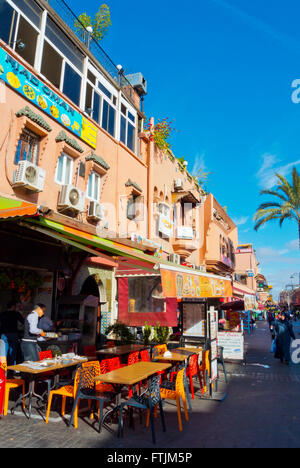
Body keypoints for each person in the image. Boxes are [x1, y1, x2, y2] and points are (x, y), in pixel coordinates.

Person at [0, 301, 24, 365]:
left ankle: (3, 369)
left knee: (3, 352)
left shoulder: (2, 314)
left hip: (4, 334)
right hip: (13, 334)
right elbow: (23, 322)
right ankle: (13, 368)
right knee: (13, 352)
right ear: (13, 306)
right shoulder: (16, 313)